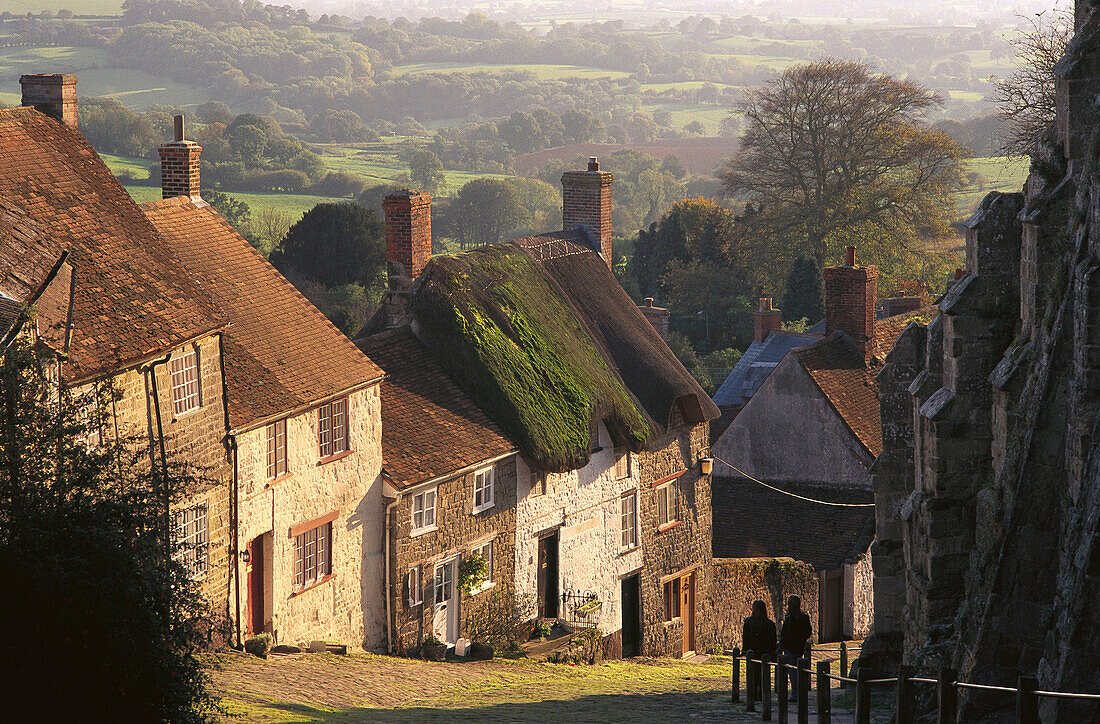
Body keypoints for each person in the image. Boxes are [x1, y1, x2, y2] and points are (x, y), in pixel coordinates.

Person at [741, 600, 777, 698]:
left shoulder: (749, 622)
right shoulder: (769, 624)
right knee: (763, 675)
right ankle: (761, 694)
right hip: (763, 652)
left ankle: (754, 694)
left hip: (756, 652)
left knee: (755, 674)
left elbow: (746, 638)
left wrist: (745, 650)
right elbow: (773, 640)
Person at [780, 595, 812, 702]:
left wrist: (783, 644)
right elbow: (808, 632)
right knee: (798, 670)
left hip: (791, 647)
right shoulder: (804, 617)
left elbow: (785, 633)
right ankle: (799, 692)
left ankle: (795, 694)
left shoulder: (790, 618)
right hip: (799, 647)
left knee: (793, 671)